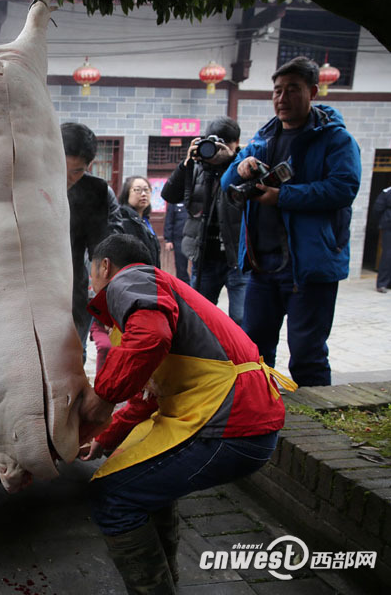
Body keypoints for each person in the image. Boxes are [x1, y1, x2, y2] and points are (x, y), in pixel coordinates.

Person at [78, 234, 292, 593]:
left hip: (229, 420)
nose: (92, 284)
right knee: (143, 485)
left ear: (104, 266)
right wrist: (106, 439)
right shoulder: (155, 290)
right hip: (241, 417)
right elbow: (150, 394)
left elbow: (149, 340)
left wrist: (103, 397)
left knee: (113, 497)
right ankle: (168, 583)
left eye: (92, 275)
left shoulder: (131, 279)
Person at [221, 56, 361, 387]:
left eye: (292, 90)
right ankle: (258, 420)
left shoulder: (335, 140)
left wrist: (282, 197)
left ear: (312, 91)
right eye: (277, 90)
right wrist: (239, 169)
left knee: (308, 354)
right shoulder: (262, 139)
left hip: (309, 267)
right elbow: (228, 185)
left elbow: (344, 188)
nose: (282, 98)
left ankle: (318, 432)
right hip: (261, 267)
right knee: (252, 354)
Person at [161, 117, 247, 324]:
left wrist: (234, 161)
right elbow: (170, 195)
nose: (218, 148)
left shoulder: (243, 166)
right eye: (214, 142)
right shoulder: (197, 168)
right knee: (200, 318)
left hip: (237, 257)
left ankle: (240, 356)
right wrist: (186, 164)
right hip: (205, 257)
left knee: (241, 317)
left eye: (226, 143)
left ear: (236, 143)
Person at [61, 122, 122, 362]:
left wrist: (106, 297)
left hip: (73, 282)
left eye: (76, 171)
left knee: (74, 352)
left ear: (89, 166)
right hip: (30, 284)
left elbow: (99, 247)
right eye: (61, 168)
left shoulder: (96, 190)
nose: (67, 178)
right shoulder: (29, 183)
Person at [117, 176, 160, 268]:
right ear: (127, 193)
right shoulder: (124, 221)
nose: (143, 194)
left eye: (146, 190)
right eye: (137, 190)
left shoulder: (144, 221)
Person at [163, 201, 189, 283]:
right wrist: (168, 240)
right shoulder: (174, 202)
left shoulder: (194, 200)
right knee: (181, 267)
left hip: (194, 238)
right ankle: (184, 288)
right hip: (179, 239)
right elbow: (169, 220)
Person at [373, 186, 391, 293]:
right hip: (389, 227)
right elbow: (378, 209)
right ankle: (382, 283)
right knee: (388, 255)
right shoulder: (387, 192)